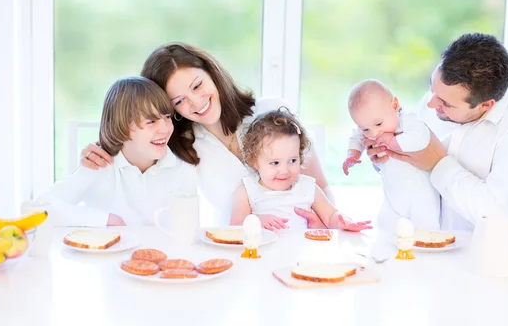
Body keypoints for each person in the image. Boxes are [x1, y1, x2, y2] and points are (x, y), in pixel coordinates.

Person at [79, 43, 332, 226]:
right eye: (179, 101)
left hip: (303, 237)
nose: (197, 102)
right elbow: (136, 145)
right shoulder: (184, 148)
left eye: (198, 85)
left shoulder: (272, 112)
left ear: (212, 73)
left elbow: (320, 187)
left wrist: (326, 233)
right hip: (238, 249)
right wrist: (105, 147)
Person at [365, 33, 508, 233]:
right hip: (415, 244)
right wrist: (386, 158)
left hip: (478, 256)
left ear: (485, 105)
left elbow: (501, 216)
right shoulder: (437, 100)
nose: (431, 103)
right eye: (432, 88)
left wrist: (438, 163)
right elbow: (413, 173)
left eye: (445, 103)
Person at [41, 77, 197, 226]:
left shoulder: (181, 166)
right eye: (151, 121)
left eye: (167, 117)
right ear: (120, 127)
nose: (164, 129)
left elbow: (188, 228)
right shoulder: (100, 164)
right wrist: (104, 220)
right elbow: (42, 207)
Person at [230, 108, 372, 232]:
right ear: (254, 160)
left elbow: (331, 216)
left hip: (302, 258)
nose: (285, 170)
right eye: (275, 163)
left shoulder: (308, 187)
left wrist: (345, 222)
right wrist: (256, 221)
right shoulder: (247, 191)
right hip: (262, 257)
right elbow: (234, 227)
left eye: (292, 161)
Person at [342, 80, 440, 231]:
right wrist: (352, 155)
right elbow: (356, 137)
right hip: (392, 194)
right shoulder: (369, 124)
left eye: (379, 124)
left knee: (425, 229)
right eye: (366, 129)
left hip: (420, 194)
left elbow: (421, 137)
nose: (374, 133)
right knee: (386, 227)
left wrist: (393, 141)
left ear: (394, 106)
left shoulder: (407, 120)